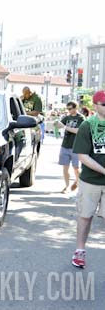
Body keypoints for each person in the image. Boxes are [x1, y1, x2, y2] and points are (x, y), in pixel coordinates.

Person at [71, 90, 105, 269]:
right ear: (96, 105)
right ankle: (79, 251)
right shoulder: (87, 125)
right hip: (90, 181)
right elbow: (83, 156)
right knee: (85, 216)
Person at [55, 101, 85, 193]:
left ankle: (78, 182)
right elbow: (59, 125)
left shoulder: (81, 118)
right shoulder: (66, 117)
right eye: (67, 109)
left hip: (76, 146)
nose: (68, 110)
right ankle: (67, 186)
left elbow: (78, 131)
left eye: (70, 108)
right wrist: (56, 124)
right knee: (65, 168)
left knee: (76, 168)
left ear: (76, 108)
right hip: (65, 145)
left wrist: (64, 127)